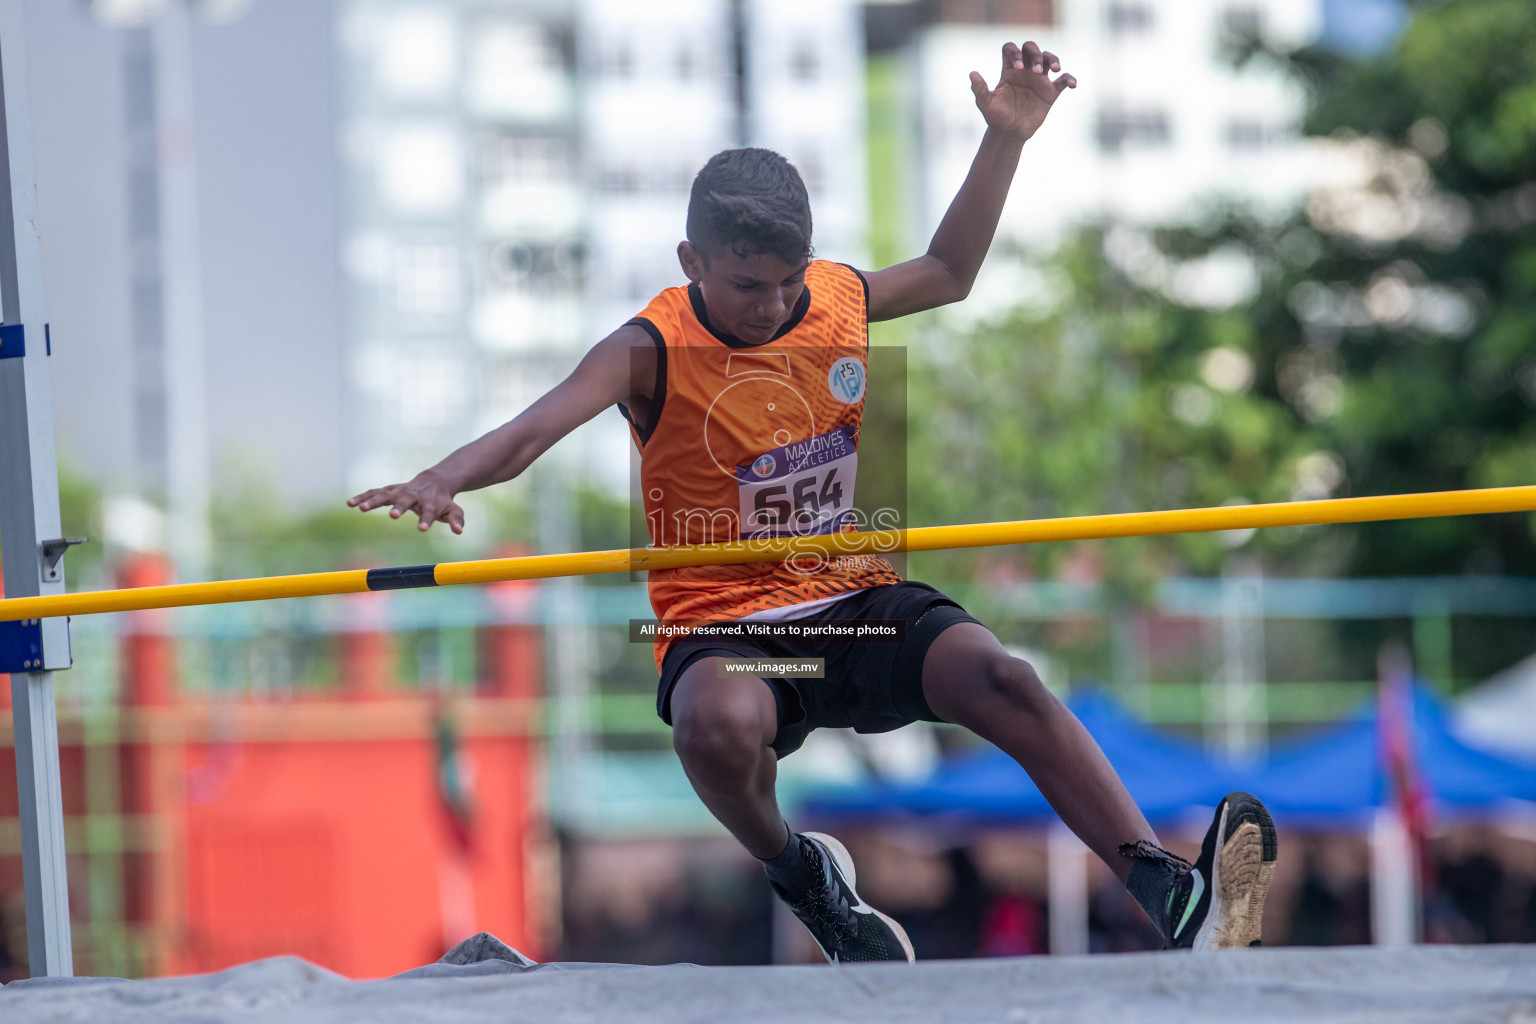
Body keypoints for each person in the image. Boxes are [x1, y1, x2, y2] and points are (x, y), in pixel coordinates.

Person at [350, 41, 1277, 963]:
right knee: (718, 727)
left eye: (789, 281)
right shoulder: (648, 347)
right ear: (692, 262)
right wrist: (444, 477)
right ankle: (806, 878)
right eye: (749, 286)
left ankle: (1169, 893)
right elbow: (531, 430)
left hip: (860, 613)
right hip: (734, 639)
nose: (772, 305)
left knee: (1005, 678)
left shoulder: (836, 300)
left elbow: (950, 271)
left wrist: (1006, 140)